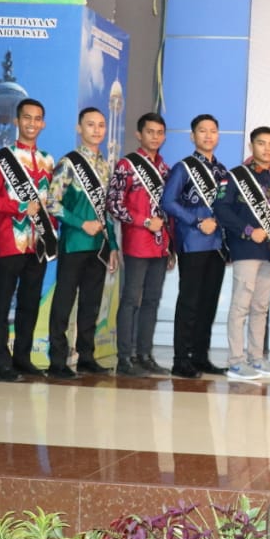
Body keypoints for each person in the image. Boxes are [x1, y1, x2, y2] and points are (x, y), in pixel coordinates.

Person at [0, 97, 57, 382]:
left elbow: (52, 203)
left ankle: (22, 358)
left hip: (39, 244)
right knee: (0, 304)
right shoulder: (1, 159)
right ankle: (1, 363)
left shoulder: (48, 161)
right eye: (27, 118)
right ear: (16, 121)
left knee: (30, 303)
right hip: (10, 241)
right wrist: (18, 206)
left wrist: (52, 230)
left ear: (43, 124)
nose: (32, 123)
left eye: (37, 119)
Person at [45, 107, 119, 379]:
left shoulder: (104, 165)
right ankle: (57, 360)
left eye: (101, 125)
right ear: (79, 128)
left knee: (91, 303)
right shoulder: (69, 163)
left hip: (98, 247)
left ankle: (86, 356)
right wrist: (81, 223)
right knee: (64, 303)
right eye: (91, 125)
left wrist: (113, 246)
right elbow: (52, 202)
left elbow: (108, 210)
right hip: (74, 243)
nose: (97, 130)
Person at [161, 114, 231, 379]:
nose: (208, 135)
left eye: (213, 131)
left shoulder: (223, 171)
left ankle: (200, 357)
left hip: (217, 246)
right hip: (192, 242)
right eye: (202, 131)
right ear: (193, 136)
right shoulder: (183, 168)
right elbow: (168, 202)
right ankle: (181, 360)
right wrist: (197, 220)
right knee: (189, 302)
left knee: (208, 303)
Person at [106, 113, 172, 377]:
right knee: (131, 299)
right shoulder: (126, 165)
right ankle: (124, 358)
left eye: (159, 133)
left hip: (160, 245)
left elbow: (168, 210)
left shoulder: (165, 169)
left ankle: (144, 354)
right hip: (136, 243)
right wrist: (143, 221)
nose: (155, 137)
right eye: (150, 132)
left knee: (152, 301)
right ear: (139, 134)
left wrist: (171, 246)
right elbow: (113, 204)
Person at [215, 126, 270, 380]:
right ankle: (235, 361)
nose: (267, 149)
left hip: (267, 252)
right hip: (245, 249)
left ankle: (256, 358)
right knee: (240, 306)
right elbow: (221, 209)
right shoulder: (235, 177)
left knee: (260, 307)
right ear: (251, 147)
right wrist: (247, 230)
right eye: (262, 143)